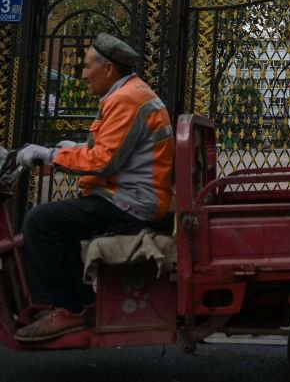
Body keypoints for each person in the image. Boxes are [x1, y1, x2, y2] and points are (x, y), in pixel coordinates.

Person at [13, 33, 174, 342]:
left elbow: (103, 161)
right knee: (61, 219)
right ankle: (83, 302)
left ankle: (67, 309)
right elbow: (114, 149)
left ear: (109, 68)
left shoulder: (126, 99)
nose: (83, 73)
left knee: (40, 221)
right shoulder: (131, 93)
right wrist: (71, 148)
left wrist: (50, 155)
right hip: (131, 196)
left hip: (132, 203)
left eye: (87, 66)